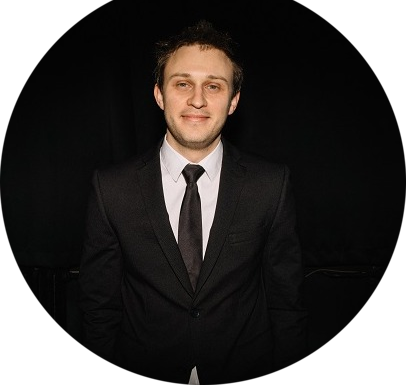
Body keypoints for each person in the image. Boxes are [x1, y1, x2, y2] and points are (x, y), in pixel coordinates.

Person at [79, 19, 308, 384]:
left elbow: (286, 304)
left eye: (213, 86)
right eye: (182, 83)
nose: (197, 100)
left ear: (233, 101)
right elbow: (99, 308)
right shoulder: (111, 188)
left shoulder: (270, 185)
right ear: (159, 94)